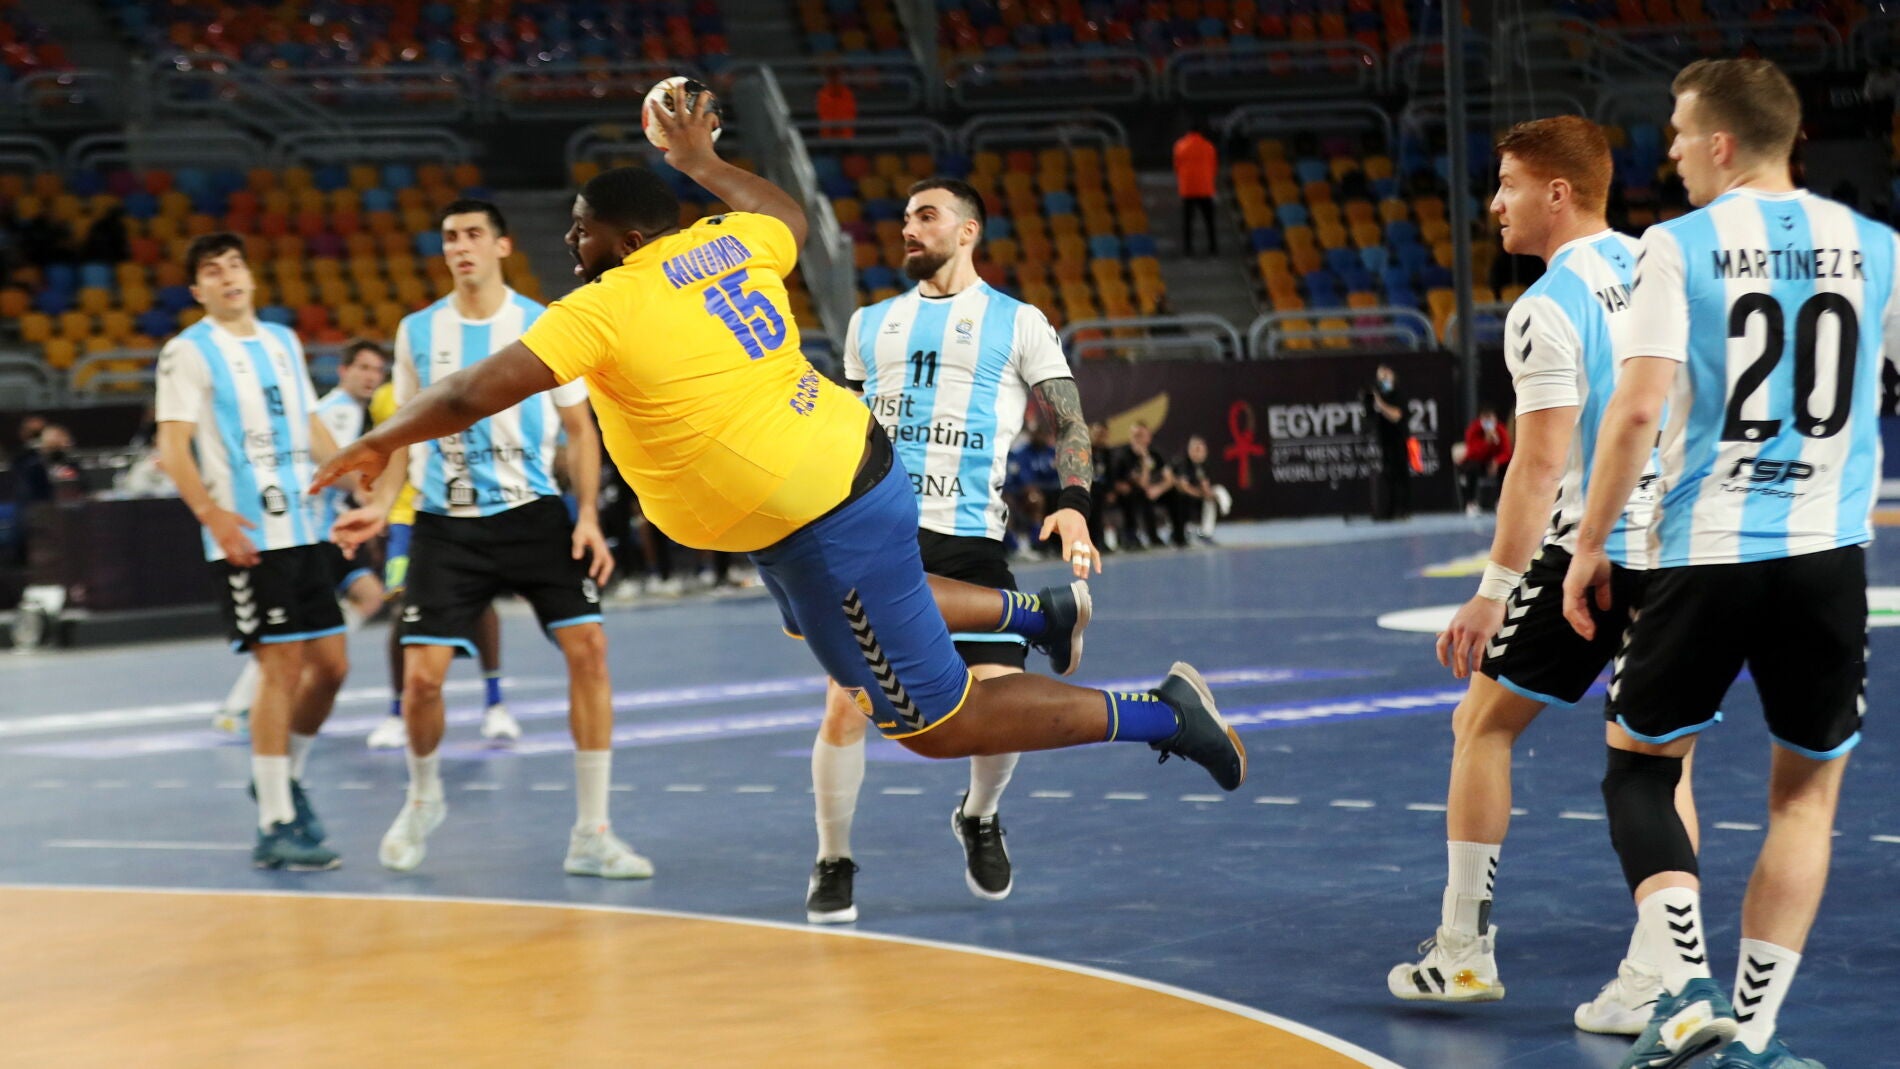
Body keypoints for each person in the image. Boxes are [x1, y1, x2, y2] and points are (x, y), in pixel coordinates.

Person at [313, 88, 1246, 872]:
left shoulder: (605, 303)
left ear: (625, 237)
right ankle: (1036, 615)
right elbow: (789, 217)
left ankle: (1163, 715)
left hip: (825, 515)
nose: (569, 240)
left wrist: (378, 440)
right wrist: (702, 159)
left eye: (580, 228)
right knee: (829, 618)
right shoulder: (729, 240)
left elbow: (471, 391)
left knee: (936, 724)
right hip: (825, 489)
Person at [1561, 59, 1898, 1069]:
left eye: (1676, 132)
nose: (1667, 150)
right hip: (1827, 556)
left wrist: (1590, 542)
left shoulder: (1678, 244)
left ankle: (1689, 983)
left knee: (1639, 768)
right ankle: (1752, 1036)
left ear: (1720, 142)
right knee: (1804, 799)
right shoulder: (1877, 246)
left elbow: (1634, 408)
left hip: (1706, 548)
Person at [1387, 116, 1690, 1036]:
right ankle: (1663, 972)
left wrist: (1491, 592)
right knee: (1661, 761)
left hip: (1591, 551)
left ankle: (1463, 949)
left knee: (1480, 722)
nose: (1495, 203)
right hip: (1688, 549)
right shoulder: (1667, 266)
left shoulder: (1547, 304)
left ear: (1558, 193)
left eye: (1509, 184)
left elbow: (1539, 462)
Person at [808, 175, 1104, 924]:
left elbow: (1071, 422)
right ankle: (833, 858)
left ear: (968, 230)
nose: (909, 227)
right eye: (906, 216)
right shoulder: (869, 324)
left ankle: (979, 813)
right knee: (847, 703)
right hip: (881, 539)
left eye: (927, 216)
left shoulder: (1019, 321)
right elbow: (844, 435)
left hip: (971, 543)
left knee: (1002, 699)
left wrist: (1074, 507)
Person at [332, 199, 646, 879]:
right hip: (446, 525)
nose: (461, 246)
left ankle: (592, 831)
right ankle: (424, 798)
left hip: (533, 515)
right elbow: (402, 434)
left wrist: (587, 517)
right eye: (450, 237)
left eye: (474, 234)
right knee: (421, 681)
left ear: (503, 246)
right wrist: (380, 506)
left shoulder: (542, 323)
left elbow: (580, 430)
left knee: (590, 651)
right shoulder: (417, 332)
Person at [154, 232, 348, 871]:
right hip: (248, 535)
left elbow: (309, 425)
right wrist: (212, 515)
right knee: (280, 668)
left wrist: (357, 481)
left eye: (235, 264)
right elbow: (172, 448)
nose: (228, 276)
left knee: (332, 667)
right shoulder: (188, 351)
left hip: (306, 527)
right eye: (213, 270)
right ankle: (274, 823)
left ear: (251, 276)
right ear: (198, 290)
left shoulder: (283, 340)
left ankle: (282, 778)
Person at [212, 340, 391, 737]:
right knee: (295, 636)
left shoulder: (342, 411)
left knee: (365, 597)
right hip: (317, 531)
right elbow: (327, 467)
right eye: (363, 368)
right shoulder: (338, 412)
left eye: (377, 370)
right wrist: (368, 492)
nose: (371, 377)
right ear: (343, 371)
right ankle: (242, 706)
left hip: (324, 528)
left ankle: (246, 703)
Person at [364, 374, 513, 749]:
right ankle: (397, 712)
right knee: (402, 607)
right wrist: (377, 507)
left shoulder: (473, 383)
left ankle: (495, 704)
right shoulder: (386, 397)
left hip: (462, 510)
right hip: (406, 518)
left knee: (482, 602)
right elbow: (380, 451)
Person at [1004, 419, 1061, 559]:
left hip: (1051, 491)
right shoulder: (1022, 453)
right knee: (1033, 499)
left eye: (1042, 434)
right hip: (1019, 493)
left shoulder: (1052, 453)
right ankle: (1024, 544)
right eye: (1036, 434)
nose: (1039, 437)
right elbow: (1025, 481)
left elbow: (1059, 476)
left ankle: (1052, 543)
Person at [1112, 422, 1172, 549]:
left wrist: (1158, 489)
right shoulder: (1125, 456)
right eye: (1136, 435)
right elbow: (1142, 484)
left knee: (1175, 494)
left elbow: (1170, 479)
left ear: (1149, 437)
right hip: (1130, 494)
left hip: (1153, 491)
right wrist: (1144, 459)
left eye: (1142, 435)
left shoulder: (1155, 453)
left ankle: (1177, 534)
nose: (1138, 439)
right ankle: (1133, 537)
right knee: (1138, 494)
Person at [1364, 364, 1411, 520]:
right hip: (1384, 441)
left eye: (1386, 375)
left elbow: (1396, 416)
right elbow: (1369, 414)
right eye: (1381, 376)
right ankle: (1387, 511)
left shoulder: (1399, 395)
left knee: (1401, 475)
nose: (1383, 379)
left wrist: (1381, 404)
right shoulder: (1376, 394)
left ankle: (1403, 510)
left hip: (1400, 440)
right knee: (1387, 475)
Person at [1165, 435, 1222, 544]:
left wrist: (1210, 494)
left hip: (1193, 495)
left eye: (1203, 450)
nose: (1201, 453)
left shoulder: (1203, 465)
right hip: (1175, 497)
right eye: (1197, 449)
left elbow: (1205, 484)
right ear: (1190, 450)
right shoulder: (1183, 462)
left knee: (1211, 500)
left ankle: (1206, 533)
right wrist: (1201, 495)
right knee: (1181, 500)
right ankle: (1177, 531)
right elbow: (1184, 487)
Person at [1457, 404, 1513, 514]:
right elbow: (1472, 453)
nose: (1488, 422)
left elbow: (1507, 453)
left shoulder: (1501, 430)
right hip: (1479, 462)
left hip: (1495, 463)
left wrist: (1497, 462)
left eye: (1490, 418)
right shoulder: (1473, 430)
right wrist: (1486, 442)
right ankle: (1471, 503)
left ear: (1495, 418)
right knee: (1471, 468)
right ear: (1481, 419)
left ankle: (1501, 501)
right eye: (1485, 419)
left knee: (1507, 467)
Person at [1173, 122, 1218, 258]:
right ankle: (1213, 247)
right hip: (1205, 188)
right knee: (1209, 220)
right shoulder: (1208, 146)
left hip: (1188, 188)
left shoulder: (1179, 146)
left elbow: (1177, 166)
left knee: (1188, 221)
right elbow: (1213, 166)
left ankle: (1188, 248)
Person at [815, 68, 857, 141]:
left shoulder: (848, 94)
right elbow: (823, 115)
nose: (835, 80)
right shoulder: (822, 95)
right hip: (828, 138)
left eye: (837, 77)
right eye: (832, 77)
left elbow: (850, 115)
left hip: (846, 137)